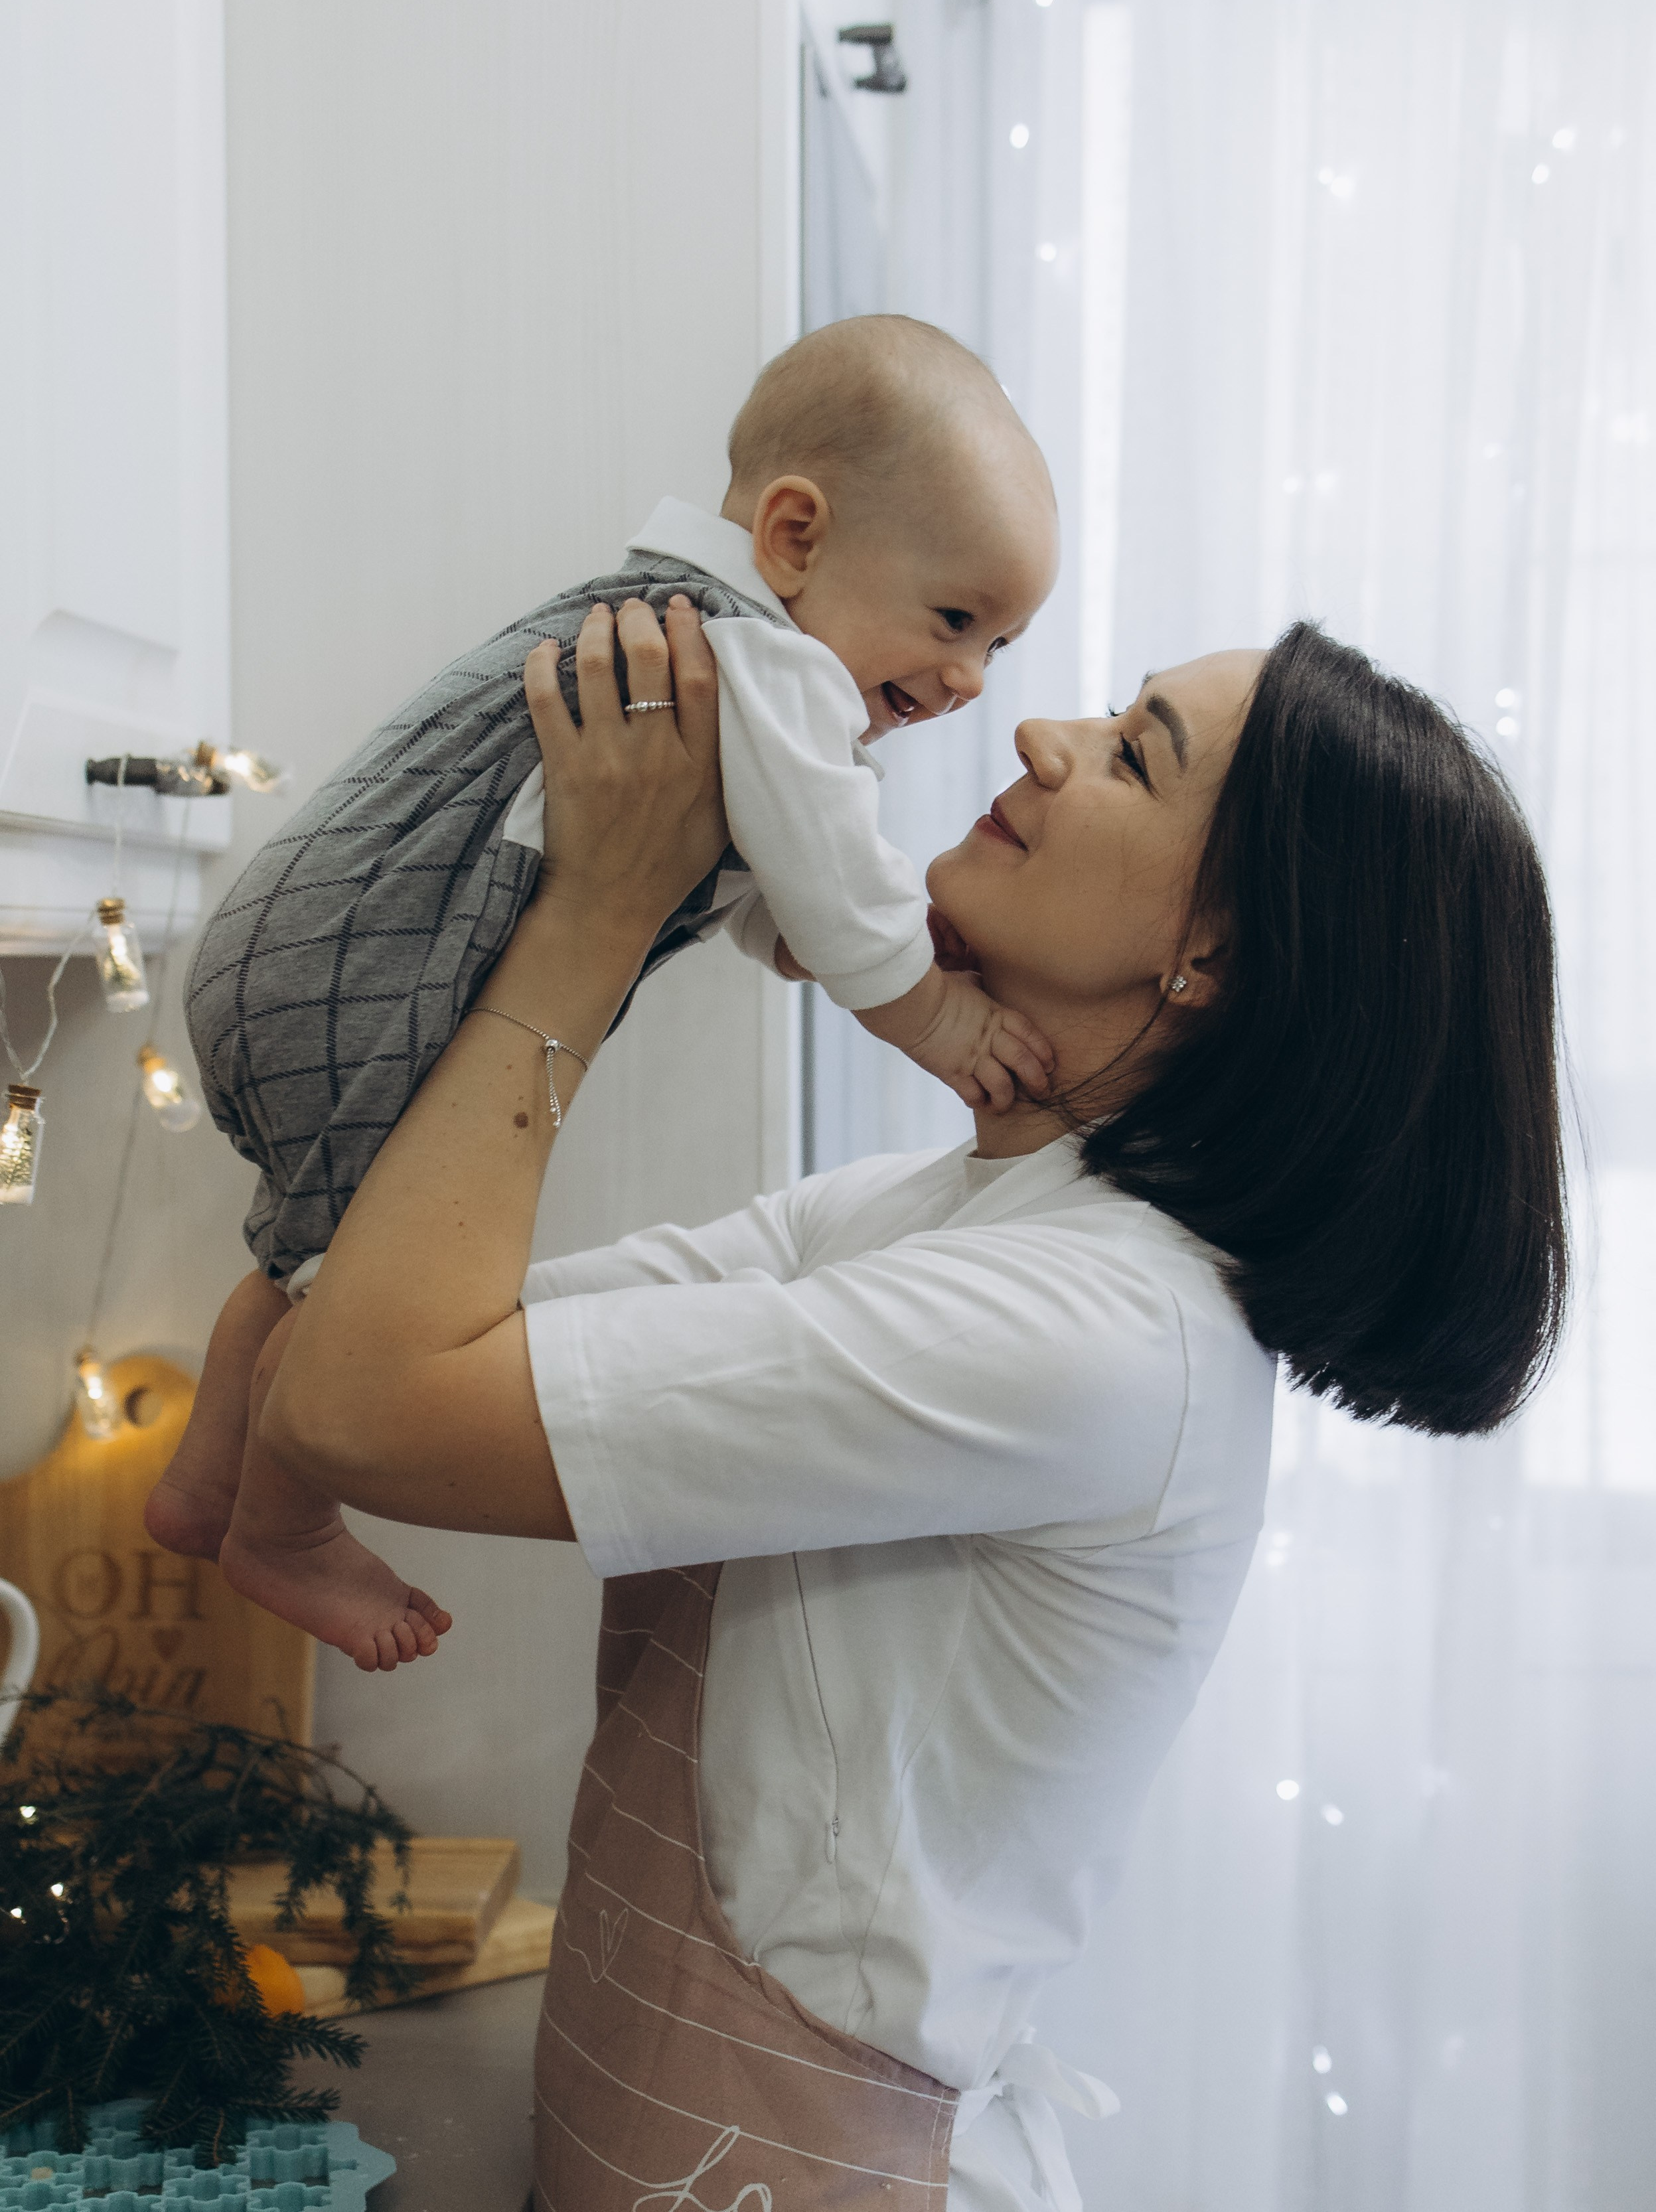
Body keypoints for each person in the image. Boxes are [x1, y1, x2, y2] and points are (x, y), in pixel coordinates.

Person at [247, 597, 1566, 2212]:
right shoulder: (928, 1217)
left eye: (1133, 755)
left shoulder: (1098, 1330)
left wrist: (600, 911)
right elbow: (385, 1343)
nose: (1038, 736)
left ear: (1209, 956)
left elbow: (356, 1407)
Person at [147, 316, 1060, 1659]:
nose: (972, 679)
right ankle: (279, 1528)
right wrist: (935, 1014)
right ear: (797, 537)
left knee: (306, 1249)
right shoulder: (770, 659)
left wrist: (789, 932)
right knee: (350, 1288)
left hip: (289, 959)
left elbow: (761, 863)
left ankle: (208, 1478)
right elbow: (831, 868)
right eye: (955, 619)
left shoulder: (673, 621)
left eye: (1003, 644)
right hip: (370, 973)